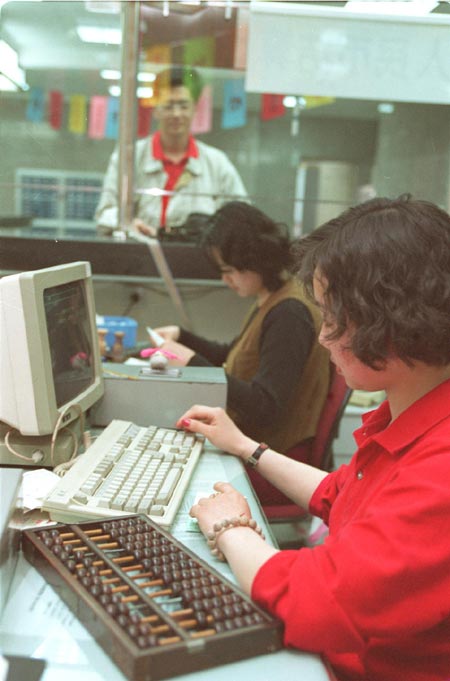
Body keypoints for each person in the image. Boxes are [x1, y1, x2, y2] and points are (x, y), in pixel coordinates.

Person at [175, 195, 450, 681]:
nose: (323, 338)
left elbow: (315, 601)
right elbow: (337, 493)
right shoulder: (412, 416)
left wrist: (230, 530)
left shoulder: (440, 467)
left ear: (389, 319)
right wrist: (245, 447)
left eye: (332, 317)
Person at [152, 200, 330, 504]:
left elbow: (265, 406)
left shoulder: (289, 313)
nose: (225, 280)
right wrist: (183, 337)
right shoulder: (273, 297)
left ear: (255, 259)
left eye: (230, 270)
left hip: (275, 459)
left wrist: (193, 362)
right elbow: (235, 354)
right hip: (261, 447)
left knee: (164, 477)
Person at [95, 66, 247, 236]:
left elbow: (242, 219)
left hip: (197, 260)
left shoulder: (217, 163)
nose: (176, 114)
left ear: (195, 108)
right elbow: (104, 213)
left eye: (183, 105)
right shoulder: (129, 158)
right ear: (155, 109)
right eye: (168, 105)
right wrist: (128, 222)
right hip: (140, 256)